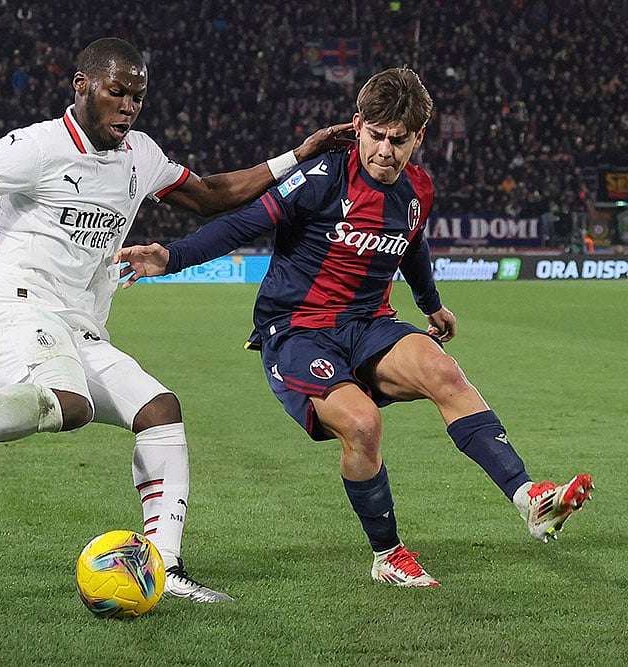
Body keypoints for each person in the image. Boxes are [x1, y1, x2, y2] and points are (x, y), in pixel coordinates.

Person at [0, 37, 352, 603]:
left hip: (76, 325)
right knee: (67, 402)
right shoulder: (37, 146)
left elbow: (214, 195)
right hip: (7, 307)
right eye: (117, 92)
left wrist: (299, 154)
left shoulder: (140, 155)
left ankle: (163, 566)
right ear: (83, 86)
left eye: (138, 97)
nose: (128, 106)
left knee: (159, 411)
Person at [115, 67, 594, 587]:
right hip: (297, 331)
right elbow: (244, 222)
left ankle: (530, 500)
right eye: (377, 136)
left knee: (445, 373)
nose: (386, 151)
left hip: (369, 324)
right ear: (357, 125)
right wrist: (173, 256)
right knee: (362, 425)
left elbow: (411, 242)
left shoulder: (417, 190)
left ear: (419, 138)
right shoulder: (322, 179)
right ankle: (387, 553)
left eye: (400, 140)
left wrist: (432, 306)